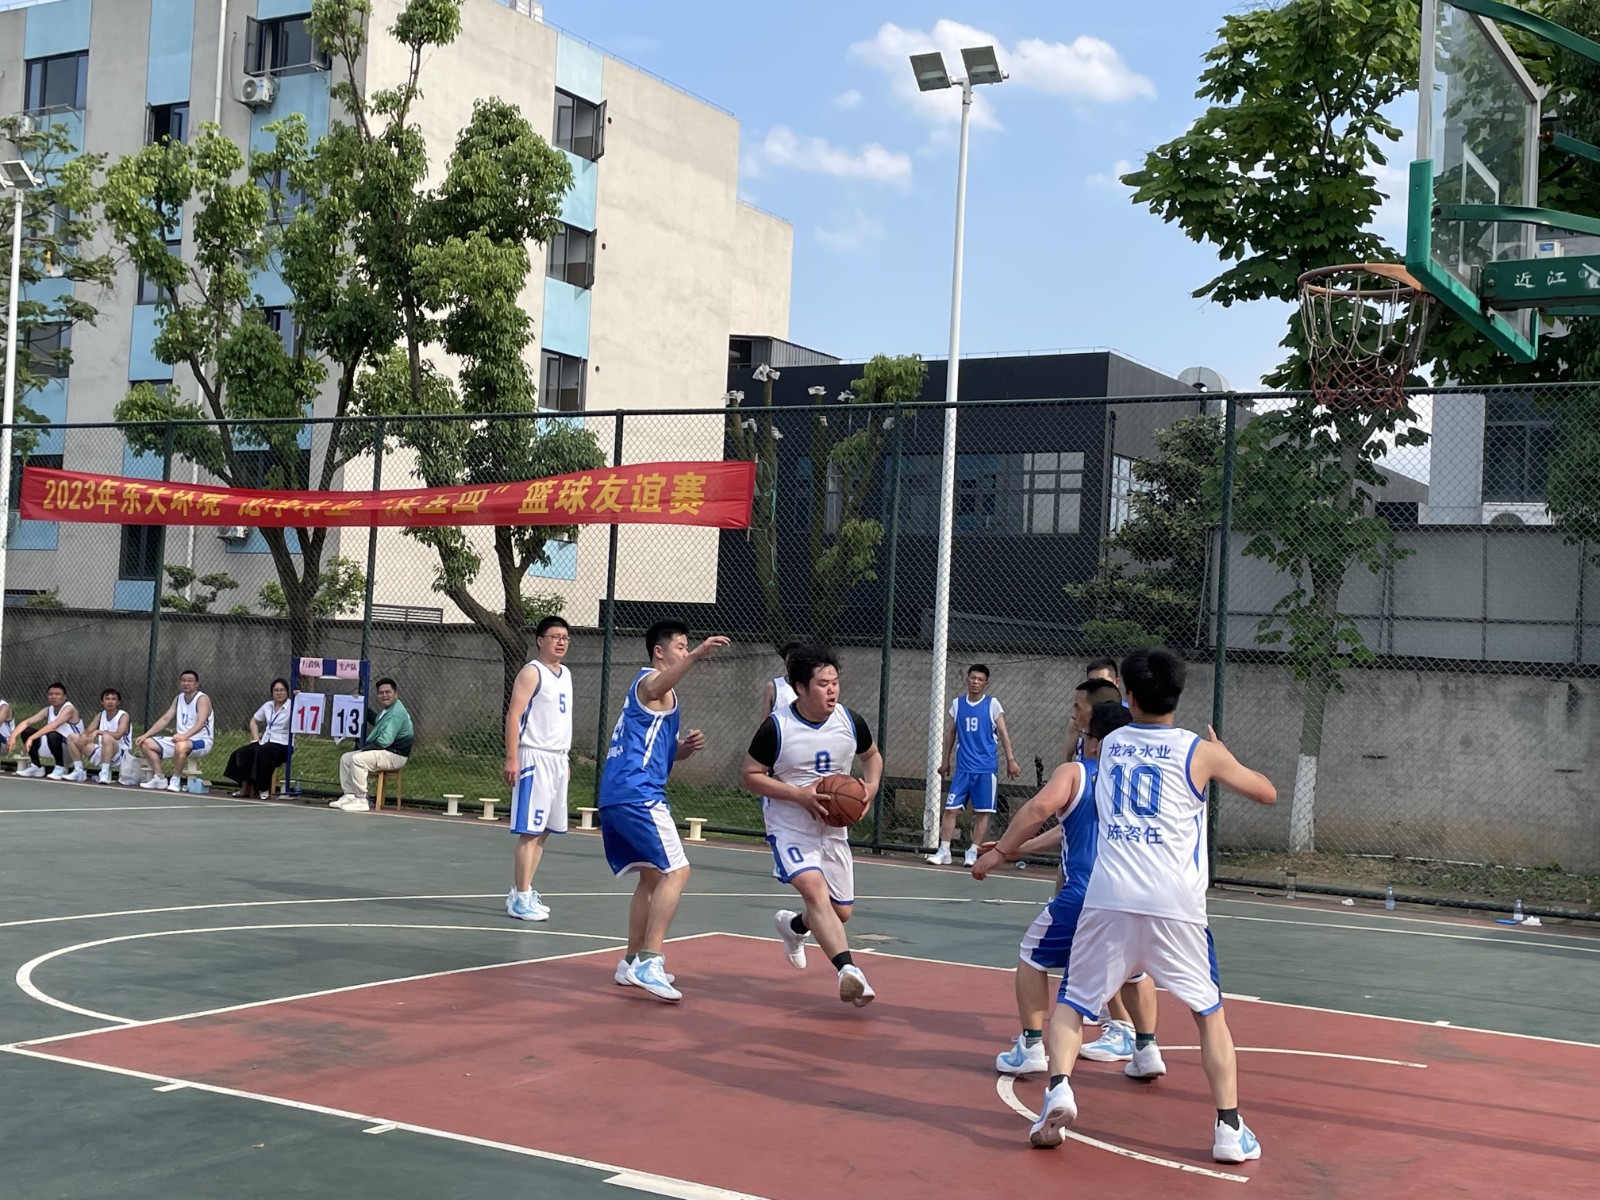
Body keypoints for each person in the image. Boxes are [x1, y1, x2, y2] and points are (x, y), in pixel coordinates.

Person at [1030, 647, 1278, 1165]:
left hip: (1110, 898)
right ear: (1178, 693)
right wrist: (1224, 756)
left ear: (1130, 696)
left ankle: (1058, 1091)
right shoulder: (1199, 752)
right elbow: (1267, 793)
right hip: (1176, 905)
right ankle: (1228, 1128)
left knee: (1074, 1001)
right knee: (1208, 1014)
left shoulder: (1110, 745)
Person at [977, 702, 1162, 1080]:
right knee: (1134, 971)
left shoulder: (1077, 772)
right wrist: (1018, 849)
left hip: (1086, 893)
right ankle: (1146, 1049)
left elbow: (1038, 808)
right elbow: (1069, 825)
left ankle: (1031, 1046)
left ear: (1094, 741)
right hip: (1136, 894)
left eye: (1084, 733)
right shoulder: (1142, 779)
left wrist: (999, 853)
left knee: (1032, 955)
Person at [740, 643, 884, 1008]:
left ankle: (794, 927)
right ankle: (849, 971)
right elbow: (750, 775)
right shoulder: (777, 727)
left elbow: (872, 757)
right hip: (790, 823)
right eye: (823, 684)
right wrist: (799, 795)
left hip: (832, 827)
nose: (832, 690)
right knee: (813, 890)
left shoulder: (850, 721)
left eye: (835, 682)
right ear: (800, 688)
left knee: (840, 912)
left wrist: (869, 789)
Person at [598, 620, 728, 1002]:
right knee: (677, 871)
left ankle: (630, 961)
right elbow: (657, 686)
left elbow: (658, 753)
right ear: (660, 651)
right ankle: (650, 961)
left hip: (618, 794)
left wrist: (681, 749)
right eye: (681, 646)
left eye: (688, 646)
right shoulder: (649, 682)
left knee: (652, 877)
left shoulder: (658, 698)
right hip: (638, 794)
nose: (685, 651)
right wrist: (698, 654)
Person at [504, 617, 576, 923]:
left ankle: (524, 890)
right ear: (540, 640)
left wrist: (565, 758)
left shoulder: (566, 674)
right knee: (530, 831)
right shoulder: (532, 672)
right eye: (555, 636)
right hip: (534, 757)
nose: (561, 642)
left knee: (545, 829)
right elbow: (514, 714)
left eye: (565, 637)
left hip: (557, 759)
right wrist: (512, 758)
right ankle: (520, 898)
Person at [929, 663, 1021, 866]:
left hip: (986, 769)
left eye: (980, 679)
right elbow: (951, 733)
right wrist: (945, 761)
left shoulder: (992, 704)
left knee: (983, 812)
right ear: (967, 680)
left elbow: (1003, 733)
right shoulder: (957, 704)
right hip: (963, 768)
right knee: (950, 809)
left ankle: (973, 851)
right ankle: (944, 850)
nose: (976, 682)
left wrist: (1010, 760)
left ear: (986, 683)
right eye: (973, 678)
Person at [331, 677, 412, 811]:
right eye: (381, 693)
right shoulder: (388, 710)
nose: (384, 695)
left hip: (395, 755)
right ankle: (349, 796)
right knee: (346, 758)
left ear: (396, 694)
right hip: (386, 751)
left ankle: (361, 800)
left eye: (388, 692)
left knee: (358, 759)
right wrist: (360, 704)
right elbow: (377, 721)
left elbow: (385, 741)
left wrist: (366, 749)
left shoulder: (396, 713)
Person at [134, 670, 215, 792]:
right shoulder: (178, 698)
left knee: (181, 746)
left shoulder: (202, 699)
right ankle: (159, 778)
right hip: (180, 740)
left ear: (196, 684)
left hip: (201, 742)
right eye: (183, 680)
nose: (186, 683)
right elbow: (165, 719)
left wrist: (184, 736)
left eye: (190, 681)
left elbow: (201, 722)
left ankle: (175, 780)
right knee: (146, 743)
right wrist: (146, 735)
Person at [223, 679, 292, 799]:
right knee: (241, 753)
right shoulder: (268, 706)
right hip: (265, 742)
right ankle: (245, 786)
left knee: (262, 753)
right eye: (276, 690)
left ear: (287, 692)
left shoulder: (293, 706)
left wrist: (299, 697)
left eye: (282, 690)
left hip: (283, 744)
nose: (279, 693)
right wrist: (256, 738)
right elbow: (254, 721)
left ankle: (263, 788)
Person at [8, 683, 84, 779]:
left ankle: (60, 768)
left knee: (52, 734)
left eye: (57, 694)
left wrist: (31, 738)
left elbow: (54, 725)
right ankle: (36, 767)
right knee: (27, 731)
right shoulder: (48, 710)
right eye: (50, 694)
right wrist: (13, 736)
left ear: (65, 696)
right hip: (52, 746)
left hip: (70, 750)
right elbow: (27, 722)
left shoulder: (69, 708)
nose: (53, 696)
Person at [66, 688, 132, 784]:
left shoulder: (123, 715)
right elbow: (88, 731)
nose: (110, 702)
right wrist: (83, 736)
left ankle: (104, 773)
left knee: (106, 737)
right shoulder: (101, 715)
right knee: (72, 737)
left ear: (118, 702)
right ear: (102, 702)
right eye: (107, 699)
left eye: (113, 699)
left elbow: (118, 735)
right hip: (103, 750)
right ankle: (79, 771)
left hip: (121, 754)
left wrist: (98, 731)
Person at [761, 640, 804, 715]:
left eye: (796, 660)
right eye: (789, 660)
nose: (792, 664)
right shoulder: (773, 686)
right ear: (785, 662)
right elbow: (765, 716)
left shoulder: (811, 686)